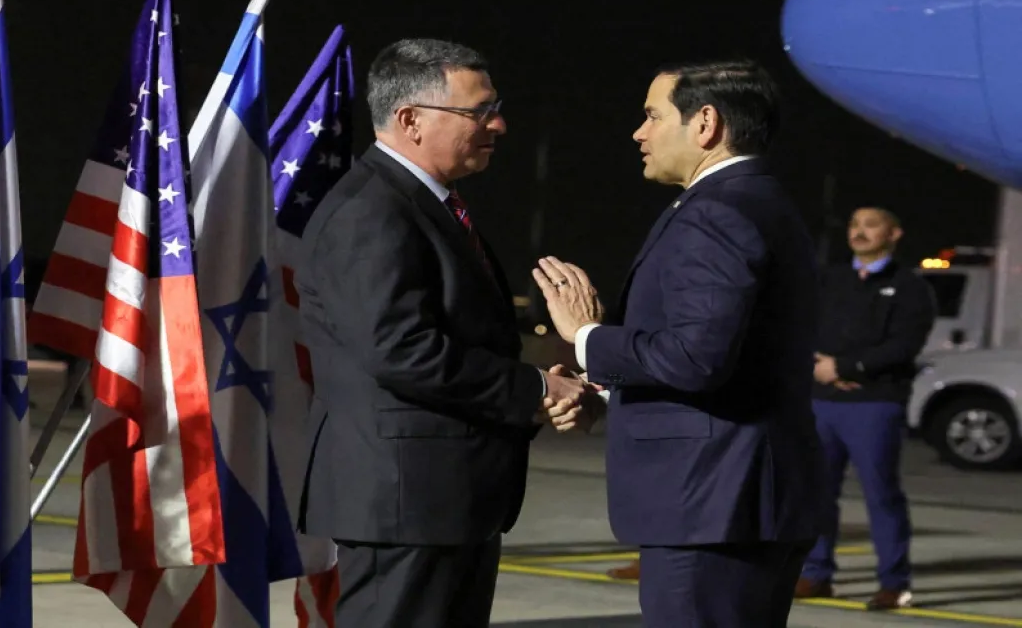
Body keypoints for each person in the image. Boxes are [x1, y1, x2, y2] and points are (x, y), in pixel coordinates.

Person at [293, 38, 591, 627]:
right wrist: (534, 389)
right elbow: (401, 350)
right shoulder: (371, 211)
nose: (498, 124)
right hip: (406, 503)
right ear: (411, 120)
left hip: (442, 501)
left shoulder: (425, 204)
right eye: (478, 111)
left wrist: (535, 387)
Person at [534, 59, 824, 627]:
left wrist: (586, 335)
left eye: (652, 115)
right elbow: (735, 355)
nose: (639, 133)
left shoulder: (715, 212)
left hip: (712, 504)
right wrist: (608, 391)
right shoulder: (760, 201)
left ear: (706, 123)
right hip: (742, 499)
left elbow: (696, 358)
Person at [795, 206, 935, 609]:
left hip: (874, 404)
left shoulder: (909, 287)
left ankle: (894, 583)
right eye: (855, 224)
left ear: (894, 234)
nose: (859, 231)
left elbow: (904, 345)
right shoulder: (830, 278)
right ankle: (815, 574)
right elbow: (800, 326)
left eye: (871, 225)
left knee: (881, 494)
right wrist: (816, 366)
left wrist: (843, 367)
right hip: (822, 402)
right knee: (816, 493)